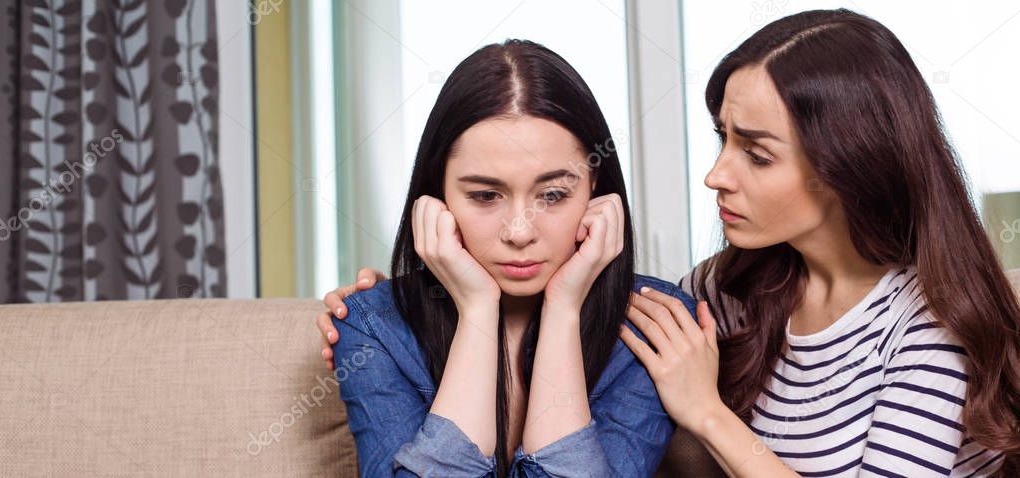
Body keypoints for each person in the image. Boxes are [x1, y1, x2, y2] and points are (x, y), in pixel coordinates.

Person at [320, 10, 1020, 477]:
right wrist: (423, 305)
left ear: (850, 161)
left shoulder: (928, 330)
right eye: (723, 138)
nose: (717, 174)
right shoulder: (724, 294)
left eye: (757, 152)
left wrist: (706, 413)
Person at [327, 39, 694, 477]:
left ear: (594, 187)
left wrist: (564, 308)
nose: (519, 232)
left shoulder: (653, 324)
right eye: (485, 195)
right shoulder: (371, 327)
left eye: (554, 195)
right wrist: (477, 309)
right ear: (437, 194)